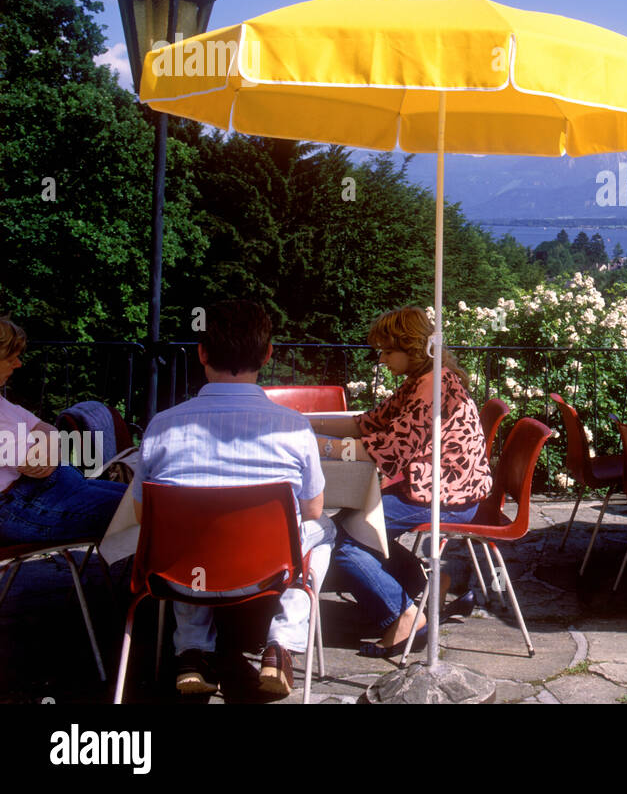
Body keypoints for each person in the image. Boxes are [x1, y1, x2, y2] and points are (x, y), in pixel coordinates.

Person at [133, 299, 333, 699]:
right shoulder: (294, 427)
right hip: (267, 572)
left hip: (184, 579)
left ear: (202, 353)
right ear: (268, 354)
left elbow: (143, 515)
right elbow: (311, 510)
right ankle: (281, 645)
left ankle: (192, 652)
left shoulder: (161, 426)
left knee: (180, 530)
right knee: (321, 528)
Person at [325, 306, 492, 659]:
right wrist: (304, 423)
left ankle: (403, 616)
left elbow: (383, 450)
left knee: (341, 539)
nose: (382, 359)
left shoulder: (432, 386)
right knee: (354, 528)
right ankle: (429, 588)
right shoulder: (424, 380)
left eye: (387, 351)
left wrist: (317, 445)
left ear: (412, 348)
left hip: (447, 498)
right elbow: (365, 424)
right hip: (446, 489)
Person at [0, 316, 127, 545]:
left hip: (53, 488)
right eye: (11, 358)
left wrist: (48, 441)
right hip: (23, 504)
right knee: (146, 511)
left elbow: (45, 427)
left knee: (149, 500)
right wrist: (50, 442)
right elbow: (42, 465)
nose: (18, 364)